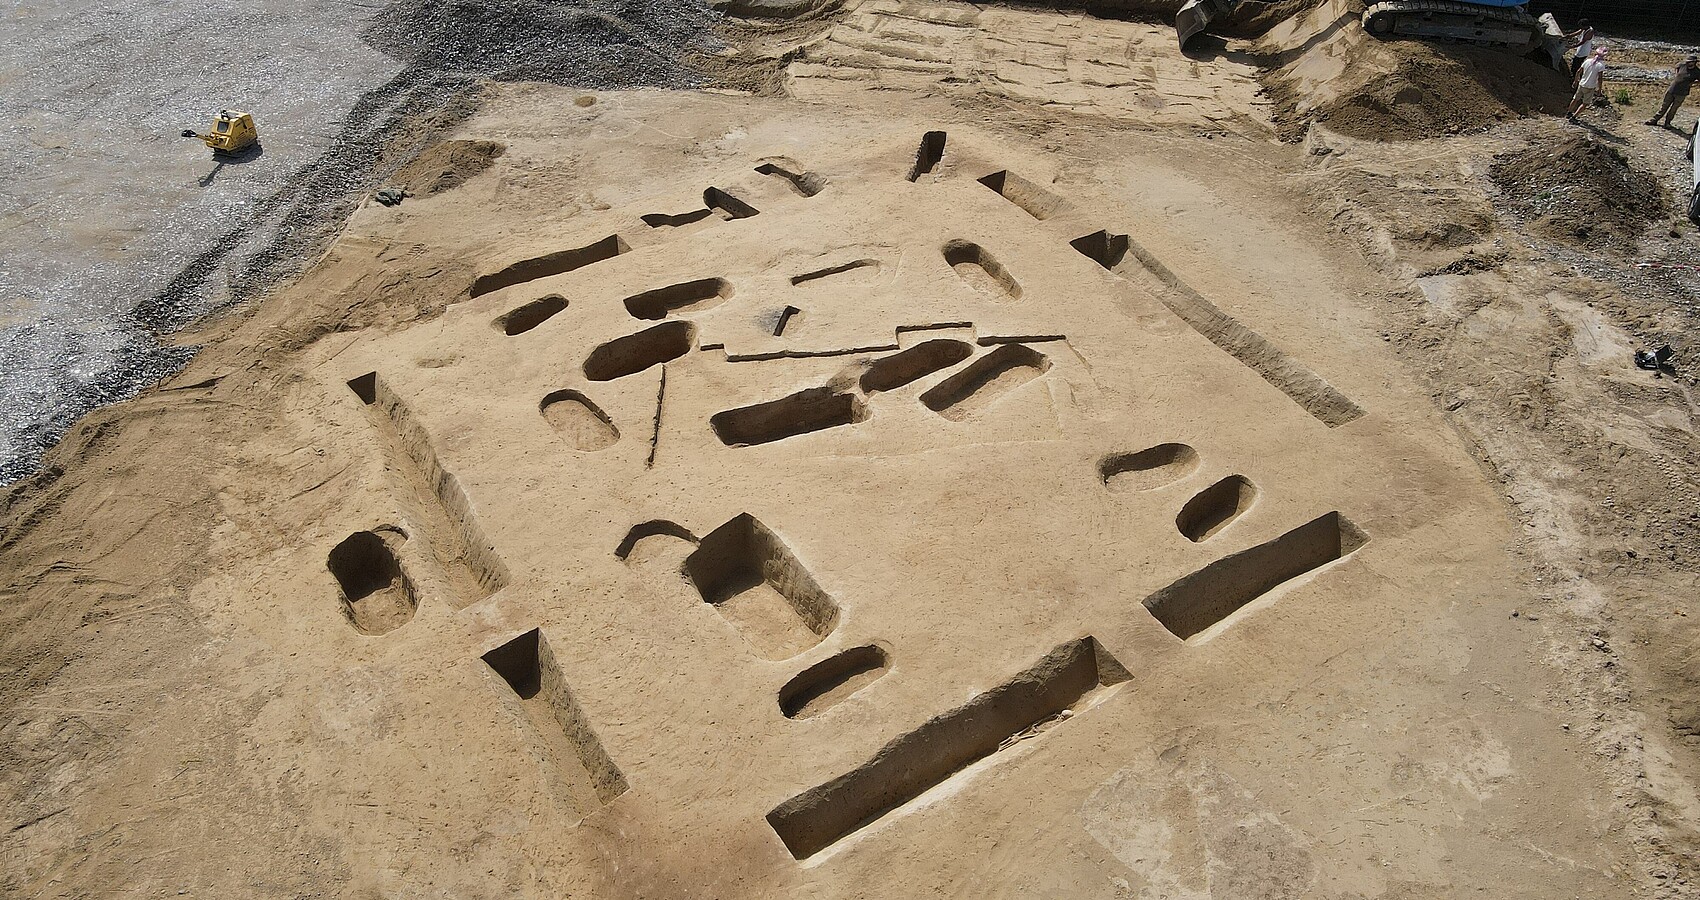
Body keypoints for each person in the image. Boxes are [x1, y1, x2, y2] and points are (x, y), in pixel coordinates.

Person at [1647, 55, 1700, 128]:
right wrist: (1677, 74)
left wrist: (1692, 84)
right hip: (1672, 89)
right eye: (1687, 61)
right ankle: (1654, 120)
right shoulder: (1682, 65)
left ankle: (1667, 123)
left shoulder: (1697, 72)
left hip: (1682, 93)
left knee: (1673, 109)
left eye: (1690, 62)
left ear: (1694, 62)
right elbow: (1676, 66)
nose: (1688, 63)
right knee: (1664, 106)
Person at [1568, 46, 1609, 121]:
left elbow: (1578, 71)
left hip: (1582, 84)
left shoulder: (1587, 61)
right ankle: (1574, 117)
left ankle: (1569, 112)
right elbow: (1600, 78)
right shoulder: (1601, 65)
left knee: (1575, 99)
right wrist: (1599, 89)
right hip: (1590, 86)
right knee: (1585, 104)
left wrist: (1575, 81)